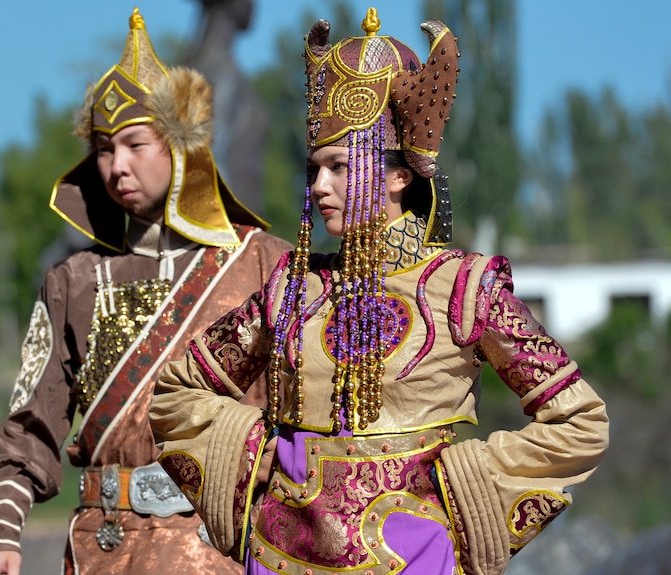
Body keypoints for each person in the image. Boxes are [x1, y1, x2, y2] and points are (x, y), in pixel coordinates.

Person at [149, 8, 609, 575]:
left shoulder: (466, 288)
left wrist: (465, 493)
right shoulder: (291, 290)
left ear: (397, 176)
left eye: (340, 167)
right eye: (314, 168)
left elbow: (579, 420)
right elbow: (177, 393)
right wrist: (252, 459)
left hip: (419, 560)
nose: (319, 186)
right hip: (280, 558)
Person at [0, 8, 292, 575]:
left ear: (180, 147)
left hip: (225, 551)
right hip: (104, 552)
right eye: (103, 149)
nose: (116, 166)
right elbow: (31, 424)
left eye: (135, 144)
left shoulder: (263, 266)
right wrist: (2, 536)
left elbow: (310, 418)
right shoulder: (71, 282)